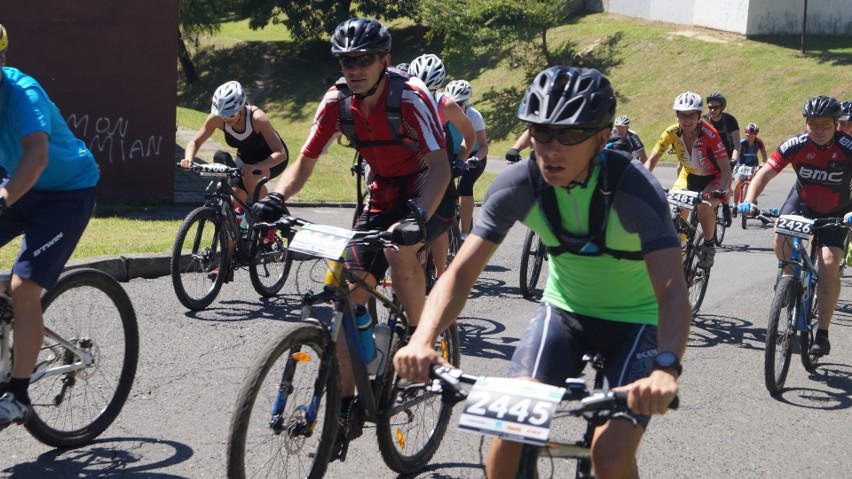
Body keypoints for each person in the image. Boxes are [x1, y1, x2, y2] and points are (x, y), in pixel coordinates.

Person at [394, 66, 690, 479]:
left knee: (609, 453)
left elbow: (674, 291)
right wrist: (423, 340)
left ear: (603, 138)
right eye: (541, 133)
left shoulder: (634, 190)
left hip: (638, 324)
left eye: (569, 136)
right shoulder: (518, 185)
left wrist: (665, 369)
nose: (551, 148)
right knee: (508, 431)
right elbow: (460, 274)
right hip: (564, 315)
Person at [250, 17, 453, 455]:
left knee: (401, 254)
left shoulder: (412, 97)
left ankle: (421, 340)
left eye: (363, 60)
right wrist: (278, 197)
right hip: (382, 192)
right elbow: (305, 160)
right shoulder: (336, 102)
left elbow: (439, 165)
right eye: (346, 62)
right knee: (346, 294)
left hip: (427, 188)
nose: (354, 69)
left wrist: (419, 217)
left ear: (385, 61)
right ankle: (345, 407)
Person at [0, 23, 100, 428]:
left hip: (66, 193)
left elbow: (36, 156)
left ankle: (19, 395)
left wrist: (4, 198)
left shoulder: (23, 92)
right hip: (15, 186)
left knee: (26, 287)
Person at [739, 96, 852, 356]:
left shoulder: (847, 147)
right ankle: (788, 282)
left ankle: (822, 332)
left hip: (837, 210)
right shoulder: (796, 143)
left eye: (826, 124)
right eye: (813, 124)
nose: (819, 130)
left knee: (829, 262)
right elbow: (765, 171)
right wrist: (748, 200)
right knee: (780, 235)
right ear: (806, 124)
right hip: (801, 203)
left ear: (837, 124)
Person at [645, 92, 731, 268]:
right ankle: (682, 253)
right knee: (674, 213)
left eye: (691, 114)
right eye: (682, 115)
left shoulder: (710, 134)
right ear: (677, 115)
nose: (687, 119)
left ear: (699, 116)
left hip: (714, 177)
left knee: (703, 207)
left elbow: (726, 169)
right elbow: (651, 161)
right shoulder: (670, 132)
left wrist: (721, 191)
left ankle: (708, 246)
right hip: (689, 174)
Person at [409, 53, 475, 275]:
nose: (422, 96)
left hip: (440, 171)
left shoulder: (445, 104)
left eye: (428, 91)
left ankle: (440, 273)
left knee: (438, 223)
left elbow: (470, 135)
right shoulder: (402, 99)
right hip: (412, 169)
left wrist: (459, 161)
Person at [179, 80, 288, 205]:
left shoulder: (257, 118)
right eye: (222, 115)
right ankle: (240, 221)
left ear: (241, 107)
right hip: (245, 158)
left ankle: (268, 218)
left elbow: (281, 153)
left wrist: (258, 166)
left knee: (251, 179)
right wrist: (188, 159)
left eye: (230, 115)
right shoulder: (215, 119)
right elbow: (195, 142)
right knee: (233, 200)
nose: (226, 119)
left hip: (272, 158)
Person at [444, 79, 489, 238]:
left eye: (460, 103)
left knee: (464, 186)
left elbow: (484, 146)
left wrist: (476, 159)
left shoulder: (474, 116)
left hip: (474, 155)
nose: (455, 107)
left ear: (467, 102)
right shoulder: (445, 114)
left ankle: (464, 233)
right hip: (452, 154)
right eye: (453, 102)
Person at [730, 122, 767, 215]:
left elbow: (764, 156)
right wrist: (734, 158)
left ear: (756, 135)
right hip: (741, 163)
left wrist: (763, 163)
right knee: (738, 183)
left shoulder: (759, 143)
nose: (750, 137)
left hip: (753, 164)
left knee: (755, 181)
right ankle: (735, 206)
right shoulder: (742, 142)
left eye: (753, 135)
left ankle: (753, 197)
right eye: (748, 135)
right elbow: (736, 151)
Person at [703, 92, 741, 165]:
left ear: (722, 108)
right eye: (710, 107)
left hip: (727, 160)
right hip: (708, 161)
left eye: (716, 108)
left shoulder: (730, 120)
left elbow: (737, 143)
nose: (712, 110)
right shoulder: (703, 120)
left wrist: (734, 158)